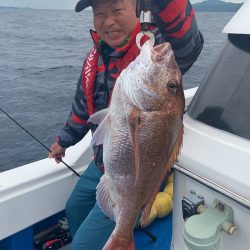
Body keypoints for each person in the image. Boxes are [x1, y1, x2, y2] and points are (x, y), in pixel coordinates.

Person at [49, 0, 204, 249]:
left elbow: (188, 42)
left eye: (117, 10)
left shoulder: (151, 48)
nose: (108, 21)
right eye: (99, 13)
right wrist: (63, 141)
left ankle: (116, 235)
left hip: (137, 175)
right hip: (106, 162)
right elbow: (82, 109)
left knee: (81, 245)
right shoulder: (97, 58)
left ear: (138, 9)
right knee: (74, 207)